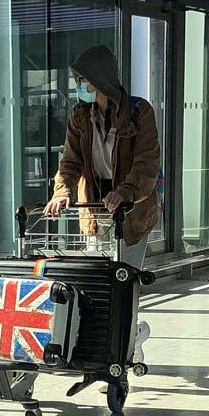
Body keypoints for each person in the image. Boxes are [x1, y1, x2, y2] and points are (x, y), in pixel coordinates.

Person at [44, 44, 160, 377]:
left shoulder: (139, 112)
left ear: (100, 80)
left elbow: (146, 163)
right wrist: (63, 192)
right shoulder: (81, 116)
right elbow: (70, 161)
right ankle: (113, 344)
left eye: (83, 80)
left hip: (131, 211)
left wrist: (125, 193)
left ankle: (129, 339)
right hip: (95, 210)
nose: (79, 85)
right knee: (99, 285)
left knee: (124, 281)